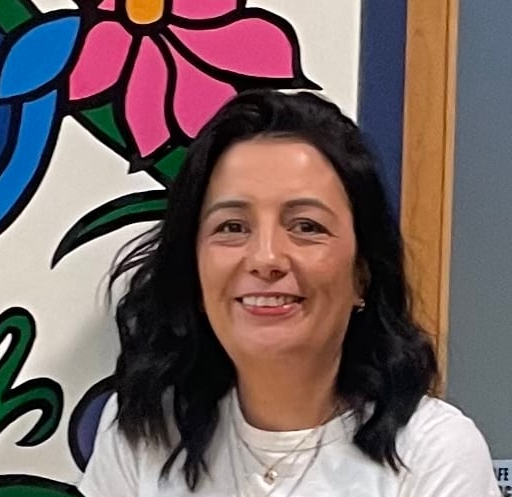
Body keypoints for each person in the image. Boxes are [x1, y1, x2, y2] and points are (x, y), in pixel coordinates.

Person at [78, 90, 500, 497]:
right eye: (232, 227)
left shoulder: (433, 451)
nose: (265, 258)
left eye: (306, 226)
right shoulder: (144, 430)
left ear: (362, 274)